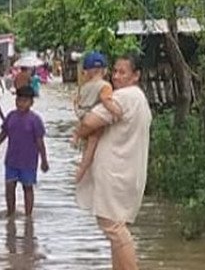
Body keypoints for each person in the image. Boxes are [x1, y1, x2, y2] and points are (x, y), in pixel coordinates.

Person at [75, 55, 152, 270]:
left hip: (115, 172)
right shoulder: (139, 98)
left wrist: (79, 128)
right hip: (129, 171)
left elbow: (89, 121)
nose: (116, 76)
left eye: (122, 72)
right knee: (117, 225)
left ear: (136, 76)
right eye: (115, 71)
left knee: (113, 226)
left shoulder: (124, 96)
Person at [0, 85, 48, 216]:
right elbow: (4, 133)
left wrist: (44, 160)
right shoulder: (11, 116)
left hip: (28, 162)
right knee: (9, 187)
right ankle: (10, 214)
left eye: (25, 101)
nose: (21, 103)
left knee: (28, 188)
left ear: (31, 103)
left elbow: (40, 142)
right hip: (11, 161)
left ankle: (28, 216)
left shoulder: (35, 120)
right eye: (18, 100)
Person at [72, 51, 124, 182]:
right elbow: (106, 101)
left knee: (86, 145)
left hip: (82, 114)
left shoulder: (84, 87)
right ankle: (82, 170)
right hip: (93, 116)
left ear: (86, 72)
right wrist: (117, 112)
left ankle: (76, 136)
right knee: (93, 142)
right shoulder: (105, 86)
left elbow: (76, 101)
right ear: (105, 70)